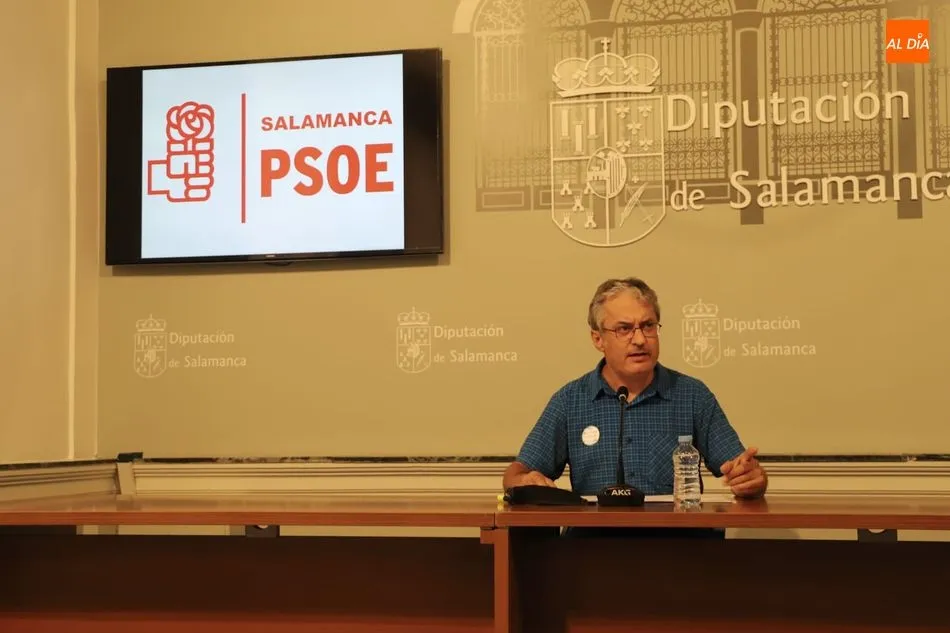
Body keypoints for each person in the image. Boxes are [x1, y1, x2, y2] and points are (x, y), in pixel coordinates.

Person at [503, 277, 768, 504]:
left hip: (679, 541)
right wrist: (525, 481)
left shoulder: (692, 395)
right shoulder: (570, 400)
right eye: (624, 329)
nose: (640, 339)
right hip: (593, 543)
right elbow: (515, 475)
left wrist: (752, 479)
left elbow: (742, 469)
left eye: (648, 326)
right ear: (598, 339)